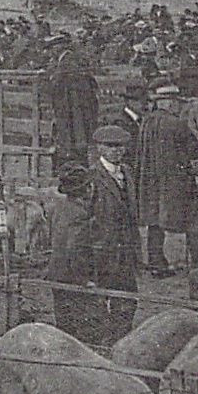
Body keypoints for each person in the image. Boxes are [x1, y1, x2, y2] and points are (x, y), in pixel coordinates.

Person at [137, 84, 198, 275]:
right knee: (193, 219)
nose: (178, 106)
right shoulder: (177, 123)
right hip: (177, 181)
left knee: (155, 222)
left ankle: (156, 262)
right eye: (176, 102)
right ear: (167, 102)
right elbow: (195, 149)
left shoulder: (146, 122)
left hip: (151, 182)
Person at [85, 124, 140, 343]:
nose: (117, 151)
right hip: (103, 248)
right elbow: (87, 216)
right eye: (111, 146)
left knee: (128, 298)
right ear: (99, 148)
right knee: (101, 298)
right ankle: (103, 341)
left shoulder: (127, 172)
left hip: (126, 247)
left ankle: (121, 339)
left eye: (121, 147)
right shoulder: (92, 176)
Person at [44, 162, 103, 343]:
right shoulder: (79, 214)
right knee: (79, 328)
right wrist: (85, 279)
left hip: (57, 272)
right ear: (86, 190)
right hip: (71, 277)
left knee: (64, 321)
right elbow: (75, 251)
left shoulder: (58, 208)